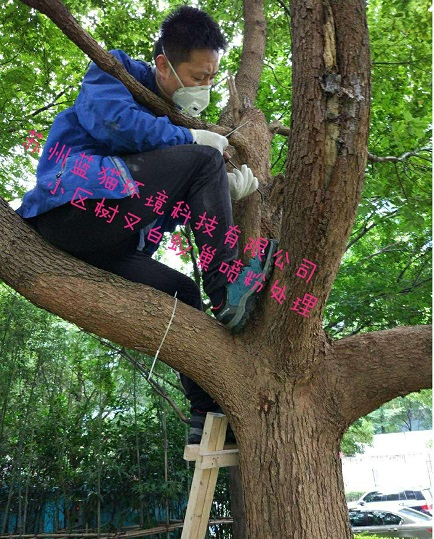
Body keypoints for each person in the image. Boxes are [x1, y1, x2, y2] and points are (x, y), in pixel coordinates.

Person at [17, 6, 278, 443]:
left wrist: (219, 189)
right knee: (204, 160)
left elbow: (158, 205)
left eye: (211, 78)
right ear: (163, 64)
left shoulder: (169, 123)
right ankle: (227, 287)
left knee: (182, 292)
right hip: (72, 208)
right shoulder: (115, 73)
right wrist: (193, 143)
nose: (205, 87)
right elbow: (113, 123)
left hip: (111, 237)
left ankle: (204, 412)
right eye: (197, 76)